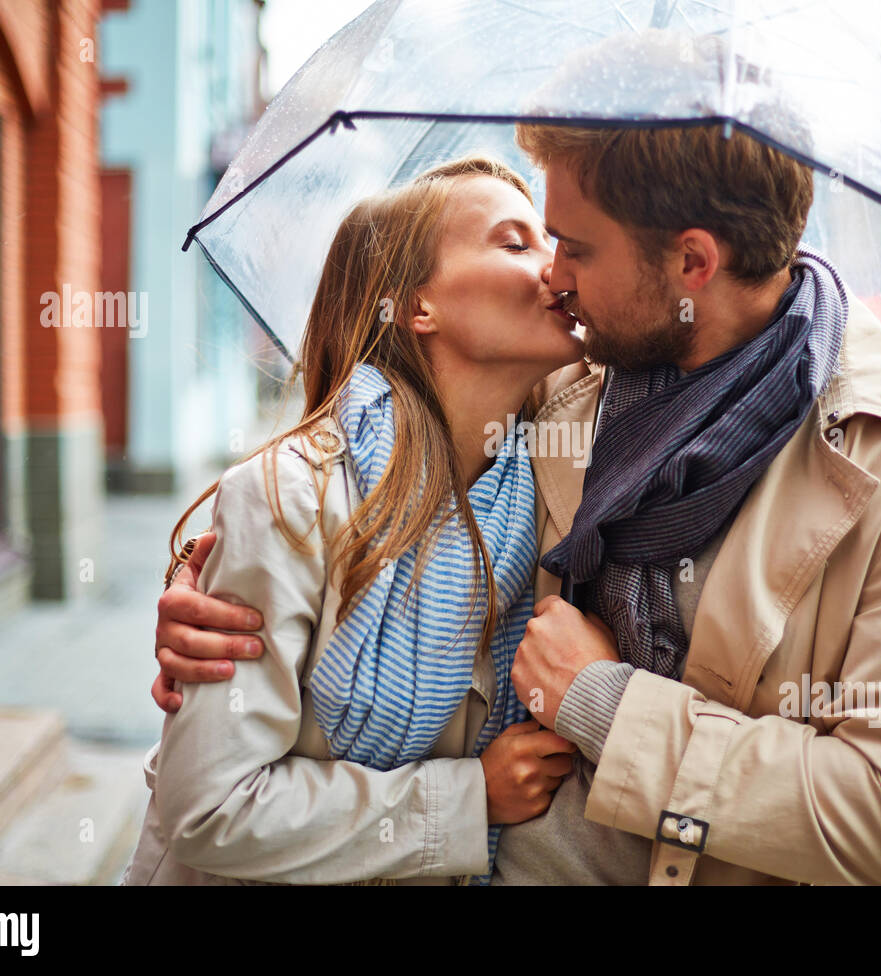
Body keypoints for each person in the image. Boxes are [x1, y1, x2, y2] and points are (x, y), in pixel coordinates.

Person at [153, 32, 881, 885]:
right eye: (532, 240)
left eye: (574, 246)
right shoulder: (562, 383)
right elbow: (384, 485)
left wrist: (606, 703)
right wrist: (222, 602)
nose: (554, 277)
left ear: (691, 261)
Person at [123, 155, 583, 886]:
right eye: (514, 242)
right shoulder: (290, 498)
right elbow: (209, 808)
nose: (556, 269)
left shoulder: (552, 491)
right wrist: (468, 802)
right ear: (415, 306)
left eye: (556, 244)